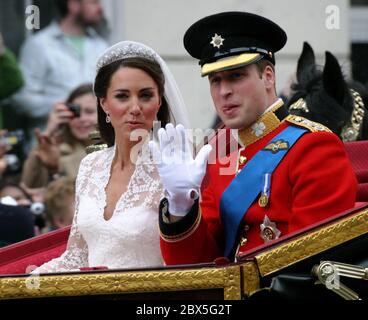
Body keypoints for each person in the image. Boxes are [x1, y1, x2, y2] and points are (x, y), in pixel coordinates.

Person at [150, 11, 358, 265]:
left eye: (236, 76)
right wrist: (180, 207)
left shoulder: (314, 146)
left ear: (268, 76)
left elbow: (313, 262)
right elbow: (195, 264)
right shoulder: (221, 152)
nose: (224, 91)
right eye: (215, 80)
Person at [32, 40, 189, 273]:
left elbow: (184, 261)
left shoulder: (174, 167)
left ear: (158, 102)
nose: (135, 107)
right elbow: (77, 257)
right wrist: (32, 279)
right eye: (122, 96)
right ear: (104, 103)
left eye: (145, 96)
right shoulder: (90, 165)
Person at [12, 0, 108, 150]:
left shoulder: (101, 46)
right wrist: (65, 105)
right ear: (73, 5)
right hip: (52, 146)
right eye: (94, 2)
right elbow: (21, 97)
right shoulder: (39, 45)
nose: (100, 8)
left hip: (94, 147)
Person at [21, 83, 97, 188]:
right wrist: (49, 131)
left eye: (89, 112)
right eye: (75, 112)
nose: (81, 119)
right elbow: (30, 184)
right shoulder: (58, 148)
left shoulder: (119, 148)